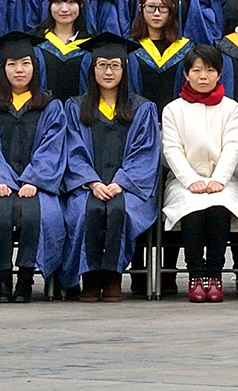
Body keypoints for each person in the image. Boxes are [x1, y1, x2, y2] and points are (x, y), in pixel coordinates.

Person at [58, 34, 158, 303]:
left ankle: (113, 277)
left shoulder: (142, 109)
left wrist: (120, 183)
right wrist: (92, 182)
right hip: (84, 187)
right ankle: (90, 278)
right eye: (102, 65)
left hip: (128, 188)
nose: (108, 71)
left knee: (118, 209)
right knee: (86, 210)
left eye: (115, 65)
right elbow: (71, 150)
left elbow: (145, 153)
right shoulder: (75, 108)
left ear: (125, 70)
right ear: (92, 69)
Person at [0, 33, 62, 304]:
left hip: (38, 185)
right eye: (12, 64)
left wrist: (34, 179)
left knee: (42, 216)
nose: (19, 70)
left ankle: (26, 279)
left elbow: (52, 147)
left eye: (25, 63)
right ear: (2, 69)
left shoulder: (50, 106)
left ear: (35, 67)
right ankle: (3, 278)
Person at [158, 49, 238, 302]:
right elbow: (172, 149)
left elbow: (233, 145)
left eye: (209, 70)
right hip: (183, 181)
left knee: (220, 206)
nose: (203, 76)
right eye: (196, 70)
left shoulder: (230, 108)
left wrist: (219, 179)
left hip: (224, 180)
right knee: (192, 207)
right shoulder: (173, 110)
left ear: (219, 74)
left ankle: (214, 275)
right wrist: (190, 180)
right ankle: (196, 275)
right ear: (186, 74)